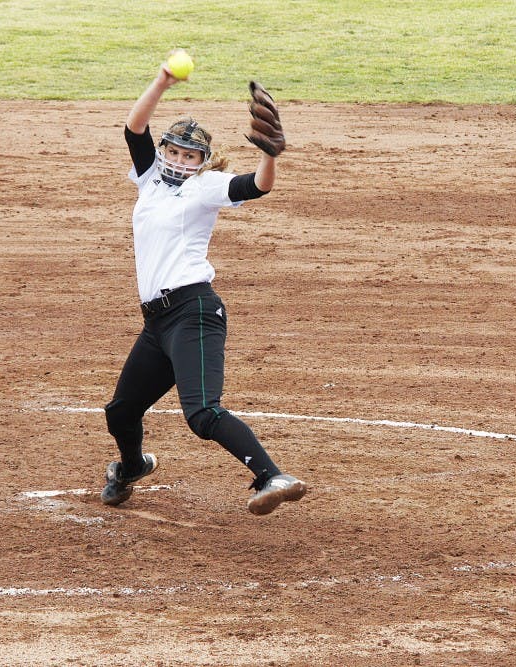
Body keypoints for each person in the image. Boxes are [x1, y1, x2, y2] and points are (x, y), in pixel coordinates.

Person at [100, 62, 306, 516]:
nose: (178, 161)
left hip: (193, 312)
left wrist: (269, 155)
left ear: (202, 161)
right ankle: (131, 468)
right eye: (173, 152)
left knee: (202, 414)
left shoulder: (205, 187)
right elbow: (135, 129)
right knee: (121, 411)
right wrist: (162, 80)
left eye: (189, 156)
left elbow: (257, 186)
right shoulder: (149, 178)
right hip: (157, 322)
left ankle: (272, 476)